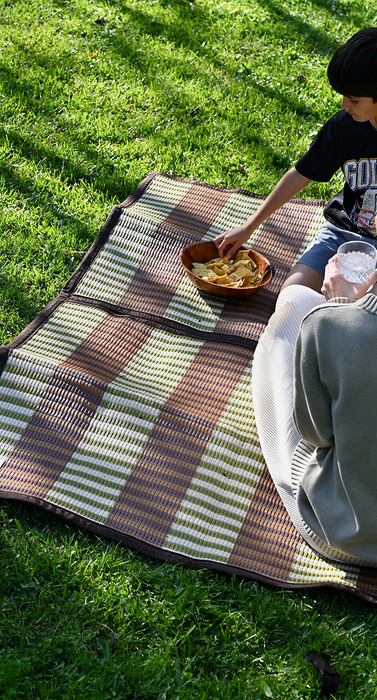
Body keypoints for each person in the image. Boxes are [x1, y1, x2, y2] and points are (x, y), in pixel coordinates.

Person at [214, 27, 377, 293]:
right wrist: (249, 226)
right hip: (341, 234)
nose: (344, 104)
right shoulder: (344, 125)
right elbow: (301, 174)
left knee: (356, 310)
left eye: (354, 99)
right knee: (292, 295)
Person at [252, 257, 377, 564]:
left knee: (296, 301)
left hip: (342, 532)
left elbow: (317, 432)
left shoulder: (327, 324)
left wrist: (340, 312)